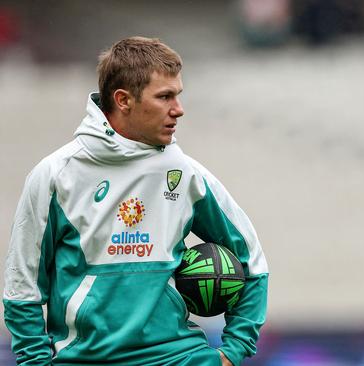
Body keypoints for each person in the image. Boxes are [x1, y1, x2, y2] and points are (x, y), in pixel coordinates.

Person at [3, 36, 269, 366]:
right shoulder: (56, 176)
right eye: (165, 97)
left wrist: (233, 350)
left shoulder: (184, 173)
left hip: (179, 358)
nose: (179, 109)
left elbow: (253, 263)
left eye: (178, 95)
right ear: (123, 100)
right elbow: (21, 290)